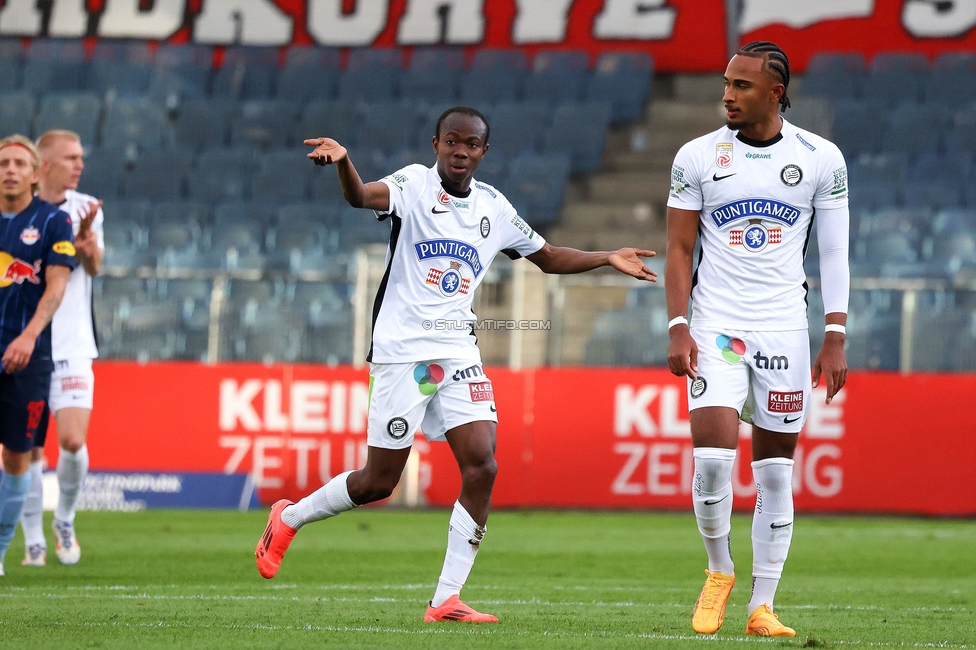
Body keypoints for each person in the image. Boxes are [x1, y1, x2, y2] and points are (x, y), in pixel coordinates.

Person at [255, 106, 657, 622]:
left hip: (457, 351)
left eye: (471, 144)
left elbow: (548, 256)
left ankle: (446, 597)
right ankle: (289, 516)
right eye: (452, 141)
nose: (460, 151)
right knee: (379, 482)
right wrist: (344, 164)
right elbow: (361, 196)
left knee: (483, 464)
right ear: (436, 143)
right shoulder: (414, 185)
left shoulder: (494, 208)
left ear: (483, 152)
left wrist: (605, 257)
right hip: (402, 351)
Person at [664, 42, 849, 637]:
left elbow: (834, 252)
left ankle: (761, 606)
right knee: (714, 460)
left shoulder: (821, 158)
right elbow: (677, 250)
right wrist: (678, 325)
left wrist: (835, 333)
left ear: (776, 93)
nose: (728, 94)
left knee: (774, 474)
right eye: (726, 82)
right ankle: (719, 572)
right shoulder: (696, 156)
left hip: (784, 329)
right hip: (716, 325)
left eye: (742, 86)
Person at [18, 130, 103, 567]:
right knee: (28, 446)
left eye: (81, 156)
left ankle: (64, 519)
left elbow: (94, 265)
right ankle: (32, 535)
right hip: (25, 342)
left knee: (71, 440)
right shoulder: (17, 210)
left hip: (71, 343)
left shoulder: (85, 207)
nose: (79, 164)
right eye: (71, 157)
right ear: (45, 163)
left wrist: (88, 246)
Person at [0, 134, 76, 576]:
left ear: (34, 174)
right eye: (3, 162)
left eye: (18, 163)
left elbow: (57, 285)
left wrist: (28, 337)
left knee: (17, 455)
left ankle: (2, 548)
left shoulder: (52, 222)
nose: (9, 169)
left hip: (28, 354)